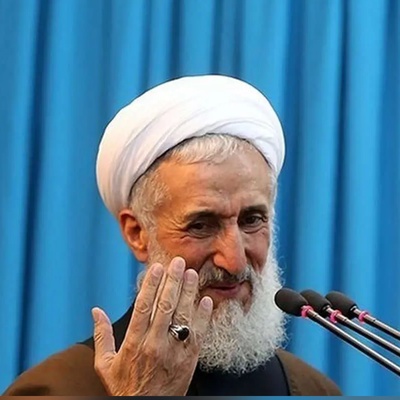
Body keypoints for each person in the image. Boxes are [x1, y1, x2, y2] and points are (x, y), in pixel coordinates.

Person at [4, 75, 341, 396]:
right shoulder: (56, 389)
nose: (235, 261)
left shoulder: (313, 389)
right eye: (201, 225)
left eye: (251, 220)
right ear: (137, 233)